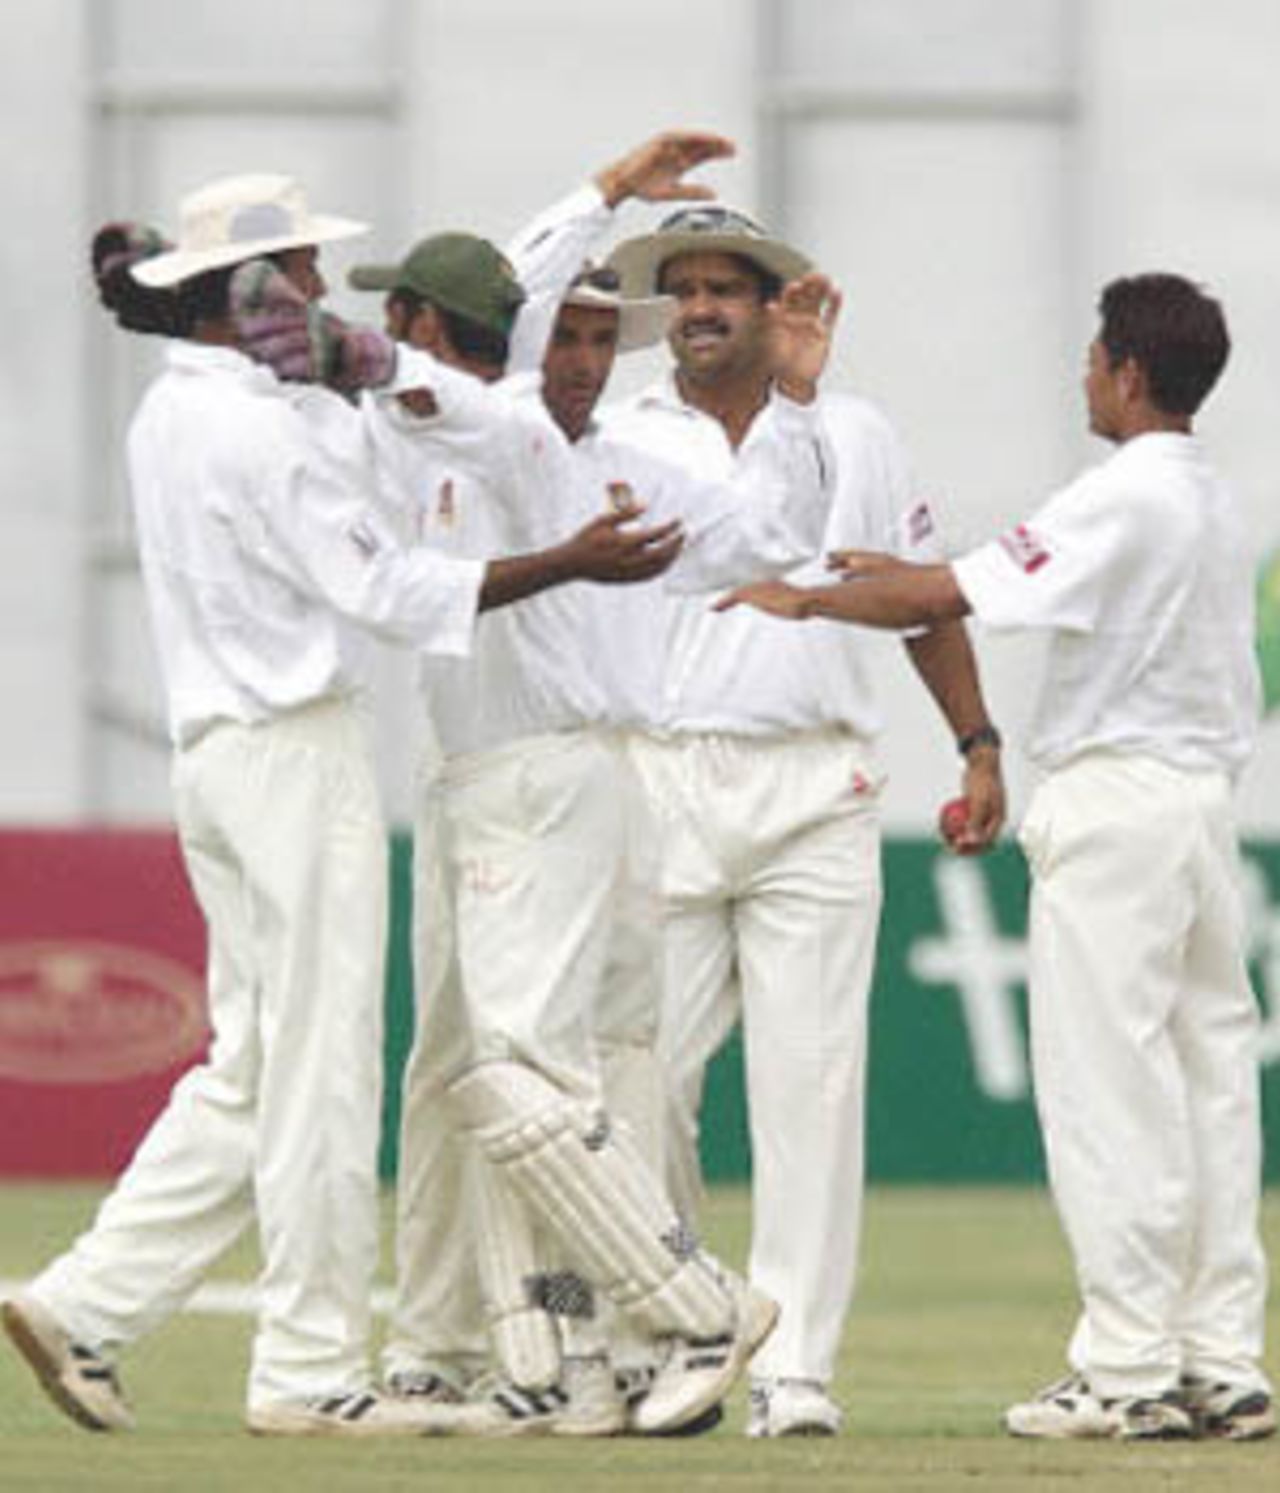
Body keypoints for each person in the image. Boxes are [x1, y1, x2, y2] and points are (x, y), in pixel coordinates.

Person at [1, 171, 682, 1441]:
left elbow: (377, 426)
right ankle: (309, 1368)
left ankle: (87, 1301)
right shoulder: (256, 429)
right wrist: (570, 562)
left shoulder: (182, 405)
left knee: (253, 1065)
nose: (313, 292)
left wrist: (349, 371)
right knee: (318, 1068)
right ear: (242, 296)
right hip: (291, 749)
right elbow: (390, 591)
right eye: (296, 273)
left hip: (213, 752)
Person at [718, 272, 1274, 1443]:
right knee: (1206, 1088)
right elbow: (942, 578)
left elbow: (950, 590)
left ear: (1127, 371)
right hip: (1197, 809)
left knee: (1108, 1091)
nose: (1082, 372)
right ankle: (1218, 1357)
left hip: (1116, 805)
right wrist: (871, 574)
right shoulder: (1209, 497)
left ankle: (1124, 1366)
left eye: (1092, 355)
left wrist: (810, 598)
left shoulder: (1119, 492)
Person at [323, 194, 842, 1430]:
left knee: (536, 1073)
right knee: (469, 1071)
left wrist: (796, 405)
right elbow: (477, 317)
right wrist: (601, 190)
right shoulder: (484, 432)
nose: (584, 362)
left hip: (571, 782)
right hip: (488, 782)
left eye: (607, 343)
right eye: (565, 334)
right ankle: (508, 1350)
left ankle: (666, 1315)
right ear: (521, 334)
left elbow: (777, 532)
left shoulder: (620, 464)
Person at [603, 206, 1005, 1437]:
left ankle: (793, 1366)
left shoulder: (853, 429)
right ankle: (672, 1331)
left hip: (814, 783)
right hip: (659, 779)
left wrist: (976, 741)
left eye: (730, 284)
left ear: (776, 303)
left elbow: (916, 595)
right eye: (686, 288)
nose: (705, 305)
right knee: (643, 1083)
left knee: (810, 1088)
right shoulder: (619, 430)